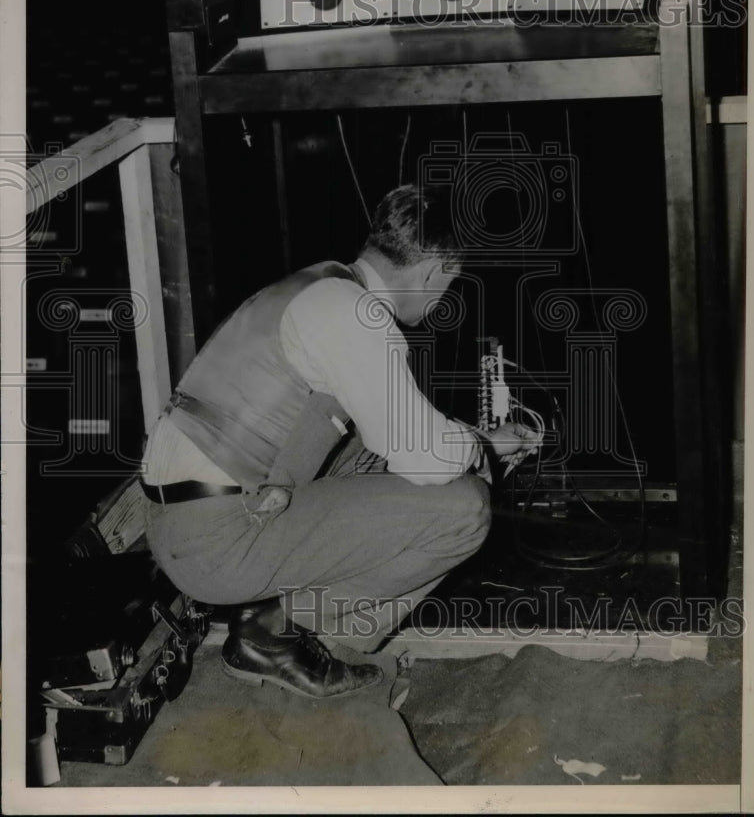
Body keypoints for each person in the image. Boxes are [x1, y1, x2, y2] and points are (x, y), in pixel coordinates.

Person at [141, 184, 537, 699]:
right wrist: (478, 453)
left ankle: (277, 615)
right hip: (214, 544)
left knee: (388, 447)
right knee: (465, 508)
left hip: (187, 517)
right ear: (433, 271)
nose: (445, 296)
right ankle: (277, 630)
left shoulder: (324, 285)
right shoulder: (360, 317)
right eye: (451, 282)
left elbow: (391, 433)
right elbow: (425, 458)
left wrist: (481, 439)